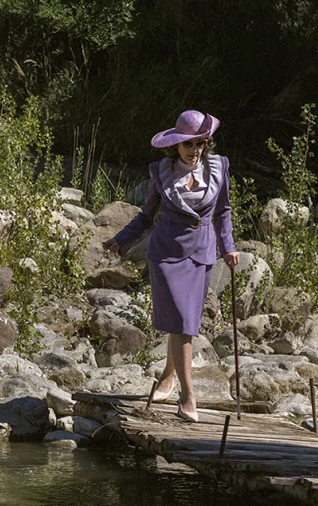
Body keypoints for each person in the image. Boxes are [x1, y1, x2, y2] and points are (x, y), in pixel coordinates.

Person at [102, 110, 240, 422]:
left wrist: (228, 247)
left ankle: (168, 376)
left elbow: (223, 212)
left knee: (184, 323)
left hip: (202, 254)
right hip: (165, 253)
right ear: (175, 146)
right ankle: (187, 396)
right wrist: (120, 240)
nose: (195, 151)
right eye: (189, 145)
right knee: (182, 323)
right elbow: (146, 216)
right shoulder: (161, 172)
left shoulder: (219, 167)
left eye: (201, 144)